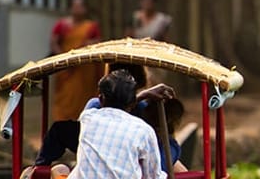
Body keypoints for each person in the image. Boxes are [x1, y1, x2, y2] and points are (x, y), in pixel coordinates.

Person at [48, 70, 183, 179]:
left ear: (101, 98)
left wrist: (143, 95)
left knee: (59, 170)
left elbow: (101, 106)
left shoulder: (88, 117)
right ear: (132, 102)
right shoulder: (144, 131)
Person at [33, 63, 178, 168]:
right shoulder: (96, 107)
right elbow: (87, 131)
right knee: (60, 130)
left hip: (131, 157)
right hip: (102, 153)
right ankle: (38, 169)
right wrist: (142, 96)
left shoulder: (143, 111)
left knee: (171, 147)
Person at [49, 0, 102, 125]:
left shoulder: (91, 27)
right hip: (66, 69)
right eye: (75, 6)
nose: (77, 9)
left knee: (84, 99)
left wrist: (86, 45)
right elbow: (54, 42)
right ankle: (62, 125)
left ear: (85, 9)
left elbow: (98, 42)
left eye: (80, 6)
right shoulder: (62, 25)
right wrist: (63, 59)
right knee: (64, 99)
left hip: (84, 70)